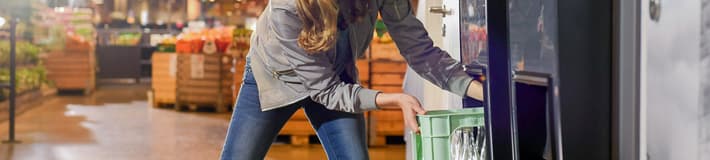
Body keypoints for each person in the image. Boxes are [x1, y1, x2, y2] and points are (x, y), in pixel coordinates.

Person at [220, 0, 484, 159]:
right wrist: (391, 98)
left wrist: (483, 92)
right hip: (274, 79)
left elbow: (421, 52)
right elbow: (325, 91)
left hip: (336, 77)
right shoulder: (287, 7)